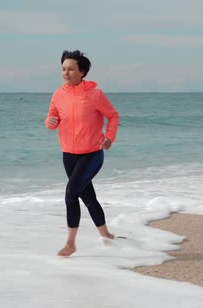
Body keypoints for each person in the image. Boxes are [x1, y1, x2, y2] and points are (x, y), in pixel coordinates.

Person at [45, 50, 120, 257]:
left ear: (82, 71)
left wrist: (109, 138)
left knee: (71, 194)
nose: (65, 73)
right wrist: (50, 123)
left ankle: (70, 243)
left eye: (70, 69)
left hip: (92, 153)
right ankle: (106, 236)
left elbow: (113, 116)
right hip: (68, 154)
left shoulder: (95, 95)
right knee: (88, 197)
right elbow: (52, 117)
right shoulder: (58, 94)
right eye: (63, 69)